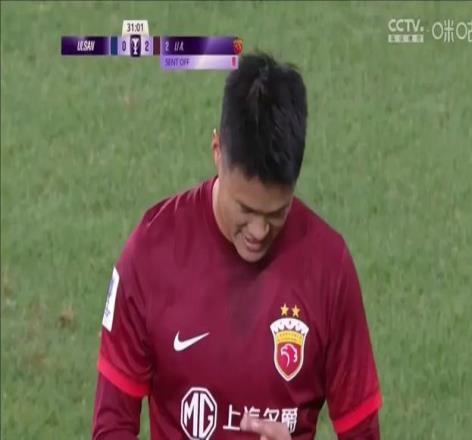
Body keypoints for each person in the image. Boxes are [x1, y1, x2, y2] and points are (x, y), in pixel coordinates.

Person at [92, 52, 382, 440]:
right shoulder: (151, 253)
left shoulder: (329, 267)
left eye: (276, 212)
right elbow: (112, 426)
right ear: (217, 151)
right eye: (245, 209)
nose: (259, 231)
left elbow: (363, 433)